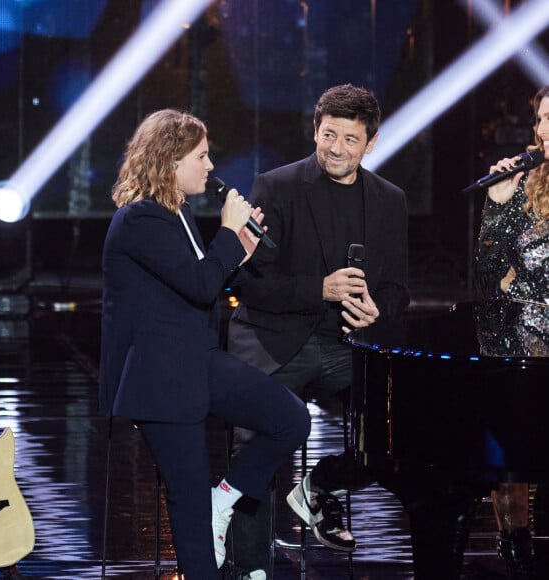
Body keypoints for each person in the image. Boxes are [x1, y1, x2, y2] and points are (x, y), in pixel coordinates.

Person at [98, 109, 311, 579]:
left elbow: (203, 283)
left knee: (290, 419)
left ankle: (227, 497)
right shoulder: (140, 220)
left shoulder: (178, 215)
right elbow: (198, 285)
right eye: (201, 155)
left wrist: (240, 249)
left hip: (198, 361)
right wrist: (230, 233)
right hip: (161, 378)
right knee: (189, 505)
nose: (211, 165)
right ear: (171, 162)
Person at [227, 84, 410, 578]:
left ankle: (322, 486)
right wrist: (321, 289)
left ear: (370, 143)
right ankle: (248, 567)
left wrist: (377, 309)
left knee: (399, 428)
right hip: (273, 338)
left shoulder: (390, 200)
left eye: (350, 140)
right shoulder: (276, 186)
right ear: (315, 129)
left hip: (344, 345)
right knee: (258, 443)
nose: (336, 148)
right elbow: (247, 282)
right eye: (329, 134)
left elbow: (397, 290)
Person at [475, 85, 549, 579]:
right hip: (525, 339)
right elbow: (487, 277)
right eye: (542, 118)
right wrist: (499, 206)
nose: (543, 130)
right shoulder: (520, 185)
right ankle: (515, 538)